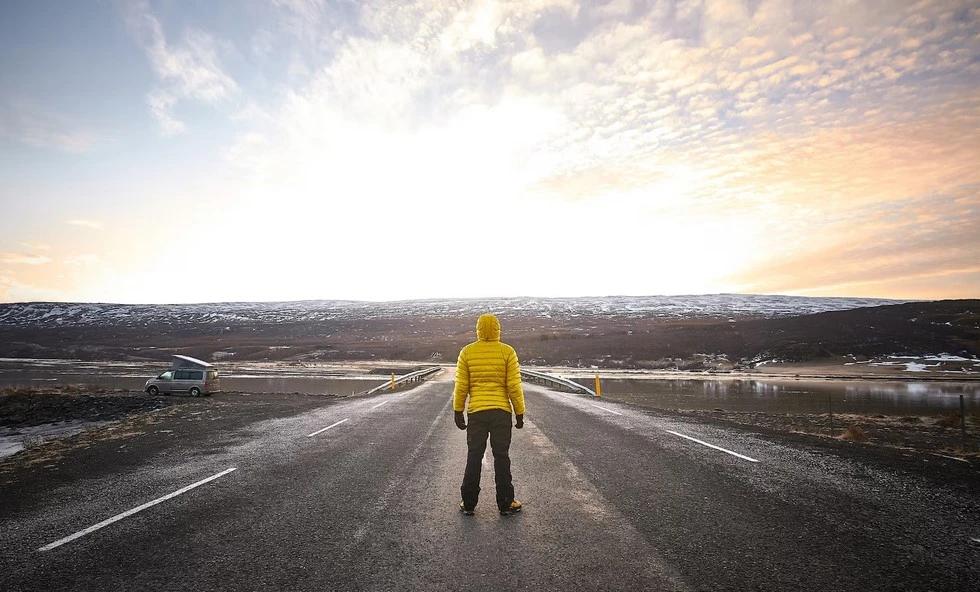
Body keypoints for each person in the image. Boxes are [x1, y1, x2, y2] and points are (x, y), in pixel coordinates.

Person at [453, 313, 526, 516]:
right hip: (501, 412)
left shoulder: (467, 352)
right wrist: (519, 412)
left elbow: (461, 386)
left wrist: (458, 410)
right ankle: (506, 503)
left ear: (478, 329)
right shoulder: (507, 352)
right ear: (497, 329)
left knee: (474, 455)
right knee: (501, 456)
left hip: (477, 413)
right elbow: (514, 386)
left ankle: (468, 503)